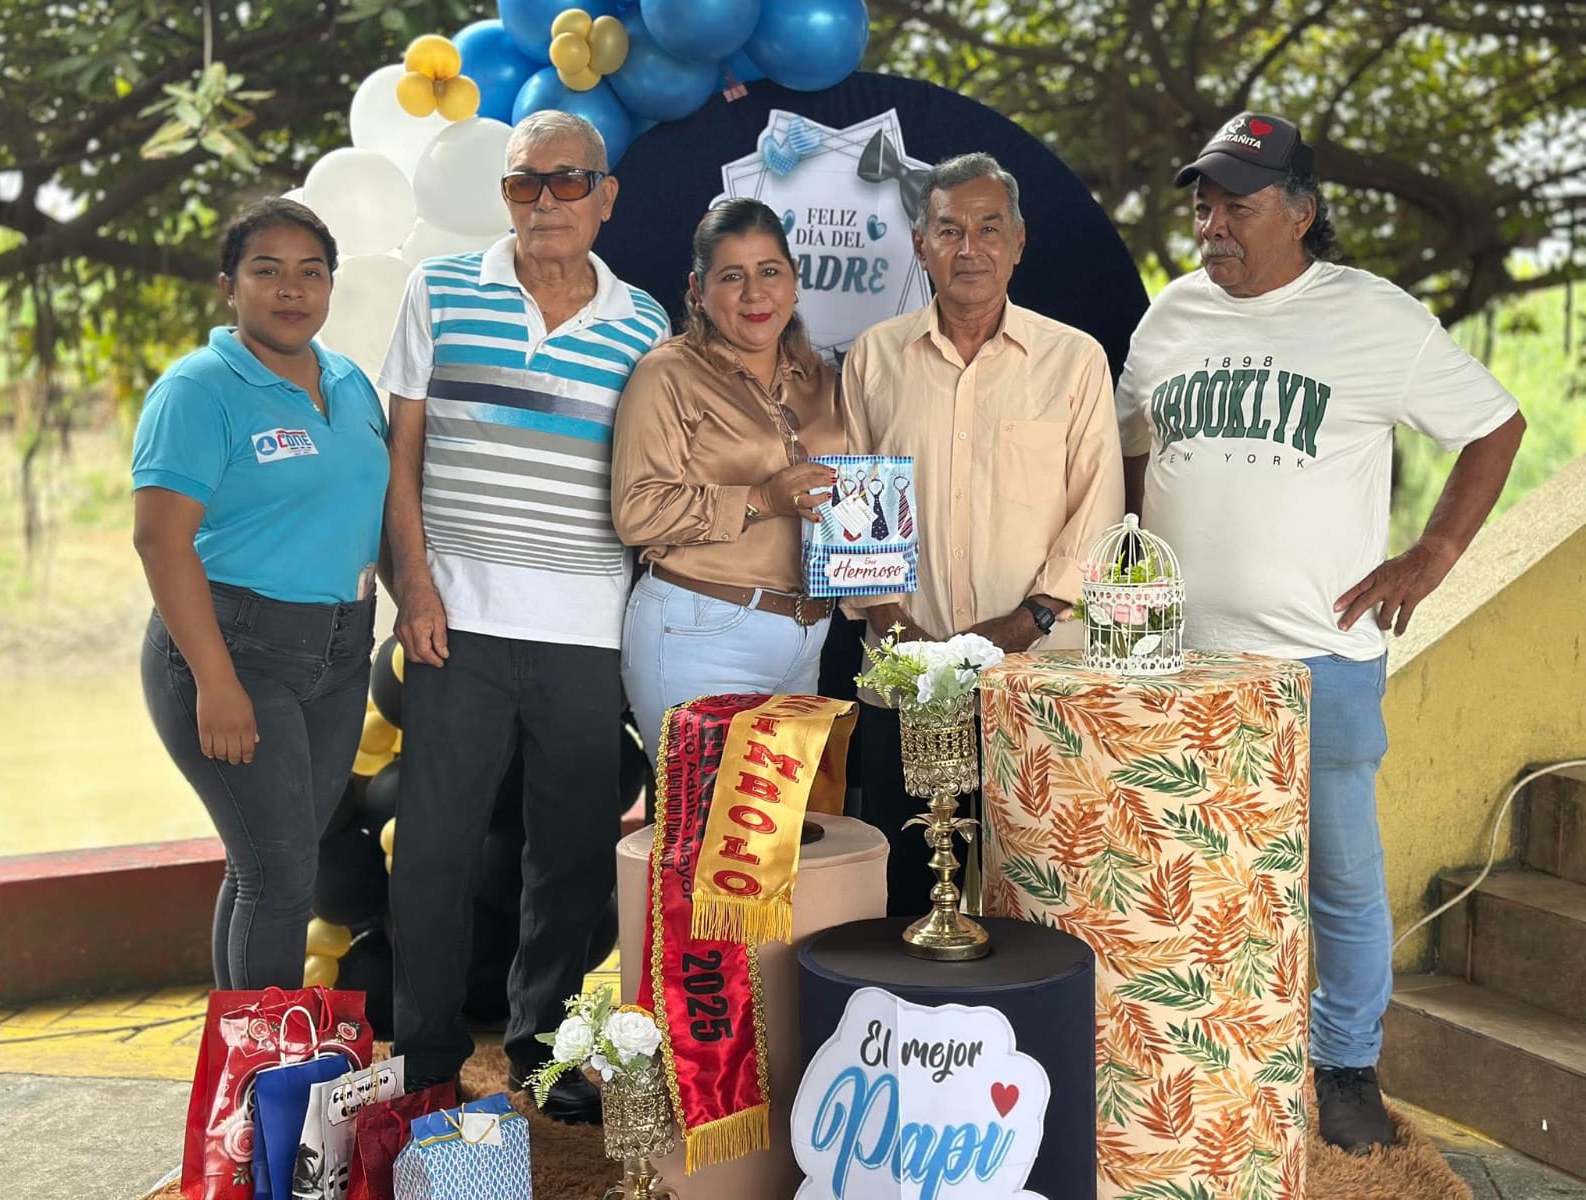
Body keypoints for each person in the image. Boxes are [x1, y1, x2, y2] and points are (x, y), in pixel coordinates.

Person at [1115, 112, 1525, 1153]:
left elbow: (1495, 425)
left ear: (1300, 213)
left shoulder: (1372, 316)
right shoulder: (1170, 317)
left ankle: (1344, 1068)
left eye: (1237, 206)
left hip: (1319, 658)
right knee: (1190, 866)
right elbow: (1129, 450)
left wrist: (1432, 555)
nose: (1212, 225)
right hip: (1179, 659)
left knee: (1337, 877)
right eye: (1203, 206)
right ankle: (1206, 1066)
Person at [379, 110, 669, 1118]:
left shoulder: (644, 326)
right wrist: (415, 589)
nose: (544, 201)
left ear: (605, 195)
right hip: (454, 622)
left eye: (566, 180)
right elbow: (400, 458)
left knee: (573, 859)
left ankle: (542, 1052)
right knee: (433, 849)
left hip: (588, 632)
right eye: (522, 183)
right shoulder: (439, 290)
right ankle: (424, 1060)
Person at [840, 152, 1125, 916]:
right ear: (920, 245)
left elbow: (1099, 511)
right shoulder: (875, 357)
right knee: (906, 901)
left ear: (1019, 242)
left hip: (1035, 681)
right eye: (949, 230)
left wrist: (1024, 624)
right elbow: (854, 510)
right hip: (906, 684)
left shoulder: (1073, 360)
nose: (969, 248)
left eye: (989, 229)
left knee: (1037, 899)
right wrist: (896, 631)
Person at [133, 197, 387, 990]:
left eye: (311, 272)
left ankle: (241, 1056)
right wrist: (216, 682)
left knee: (271, 868)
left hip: (341, 654)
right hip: (234, 651)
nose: (291, 289)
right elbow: (160, 540)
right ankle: (267, 1064)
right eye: (267, 271)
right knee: (278, 877)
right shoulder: (198, 389)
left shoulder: (348, 382)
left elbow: (370, 510)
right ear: (228, 286)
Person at [612, 198, 841, 760]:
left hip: (807, 638)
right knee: (704, 813)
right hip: (699, 631)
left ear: (794, 279)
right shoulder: (668, 373)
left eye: (770, 271)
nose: (755, 293)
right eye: (732, 276)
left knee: (781, 818)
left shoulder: (824, 381)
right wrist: (761, 498)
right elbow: (636, 511)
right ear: (698, 289)